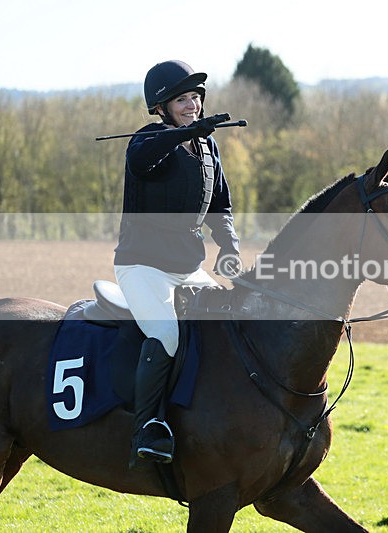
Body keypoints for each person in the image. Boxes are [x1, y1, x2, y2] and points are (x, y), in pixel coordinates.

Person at [114, 60, 240, 466]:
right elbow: (140, 161)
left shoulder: (208, 147)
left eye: (196, 98)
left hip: (187, 269)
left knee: (227, 326)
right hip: (142, 268)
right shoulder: (147, 139)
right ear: (161, 107)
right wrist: (184, 133)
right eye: (183, 100)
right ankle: (146, 429)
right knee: (168, 332)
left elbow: (220, 205)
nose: (193, 106)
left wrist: (230, 246)